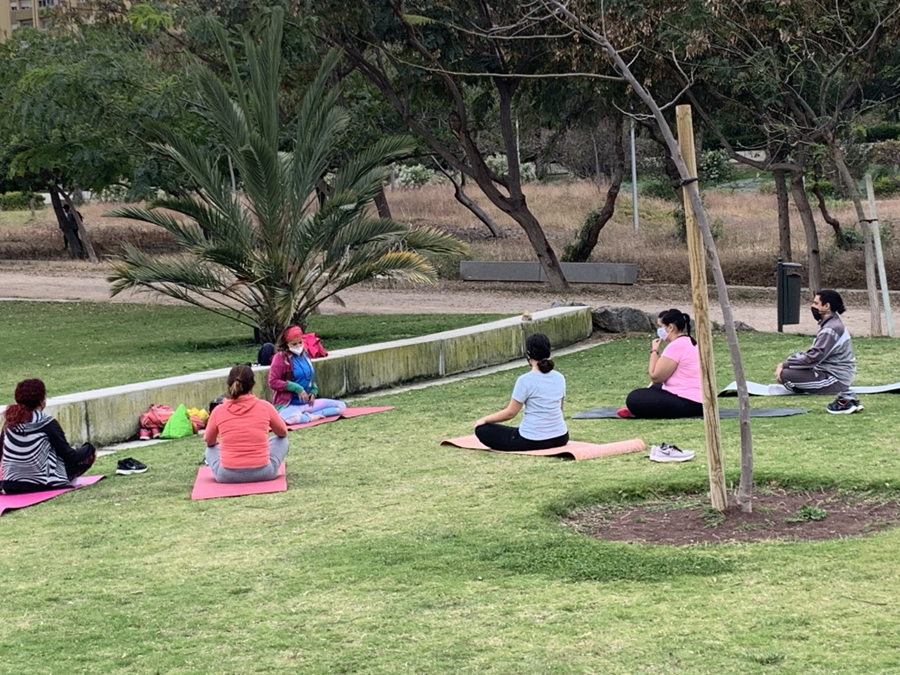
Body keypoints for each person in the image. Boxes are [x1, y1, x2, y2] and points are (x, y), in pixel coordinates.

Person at [474, 333, 569, 451]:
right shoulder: (559, 377)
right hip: (561, 436)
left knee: (482, 430)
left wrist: (484, 420)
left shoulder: (525, 380)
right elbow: (559, 408)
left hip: (532, 440)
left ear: (528, 355)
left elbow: (510, 413)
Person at [1, 379, 96, 494]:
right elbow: (69, 456)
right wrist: (89, 448)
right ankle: (63, 478)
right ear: (41, 400)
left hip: (11, 485)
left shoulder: (9, 422)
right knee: (88, 454)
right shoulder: (47, 423)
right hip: (42, 485)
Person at [774, 289, 861, 414]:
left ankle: (799, 385)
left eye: (816, 303)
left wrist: (784, 365)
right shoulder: (830, 324)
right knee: (790, 370)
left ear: (826, 306)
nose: (812, 306)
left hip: (835, 379)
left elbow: (813, 358)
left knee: (786, 375)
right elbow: (813, 354)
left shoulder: (831, 328)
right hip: (825, 372)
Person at [204, 364, 289, 483]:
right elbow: (282, 432)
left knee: (210, 449)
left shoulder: (218, 411)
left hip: (227, 476)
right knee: (282, 440)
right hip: (264, 473)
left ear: (229, 384)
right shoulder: (265, 406)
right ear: (252, 384)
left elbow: (209, 441)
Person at [619, 308, 703, 419]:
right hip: (700, 400)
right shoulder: (691, 342)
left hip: (688, 401)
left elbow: (656, 376)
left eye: (660, 326)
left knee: (634, 397)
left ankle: (638, 409)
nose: (659, 330)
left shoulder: (676, 346)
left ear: (670, 327)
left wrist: (654, 351)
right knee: (654, 388)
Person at [268, 326, 346, 425]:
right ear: (286, 344)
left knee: (341, 406)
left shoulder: (304, 353)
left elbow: (309, 377)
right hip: (289, 405)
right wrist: (296, 388)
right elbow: (273, 381)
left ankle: (314, 414)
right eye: (294, 344)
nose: (298, 346)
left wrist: (314, 390)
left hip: (308, 404)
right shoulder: (280, 358)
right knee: (292, 419)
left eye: (300, 342)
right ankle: (309, 416)